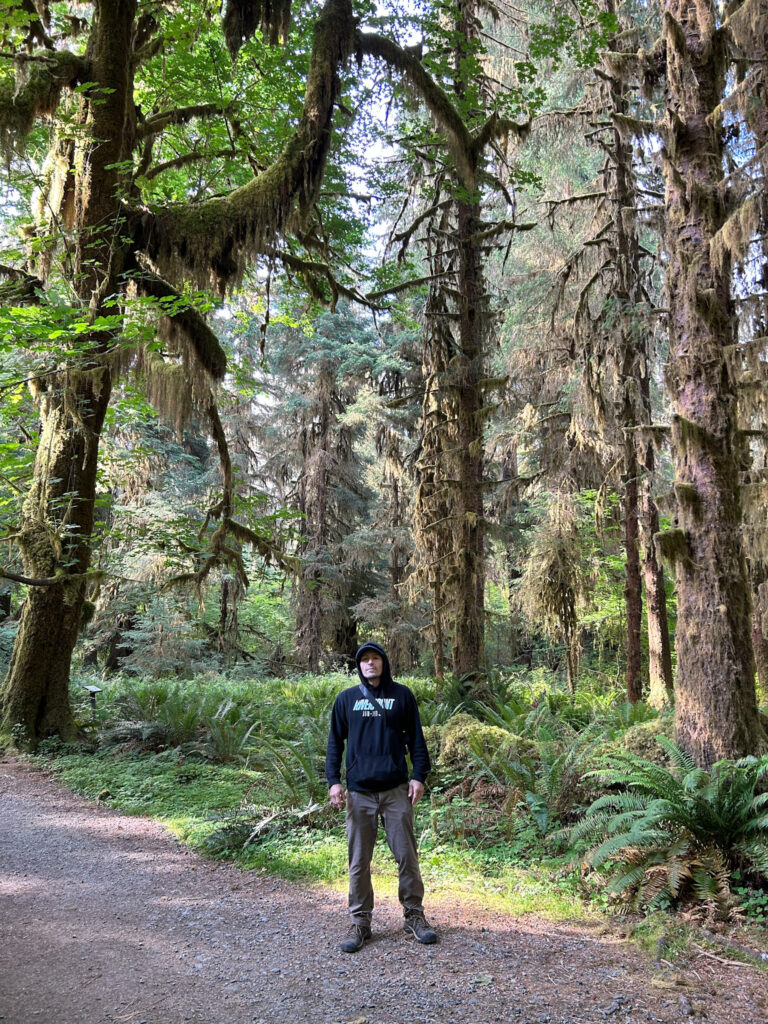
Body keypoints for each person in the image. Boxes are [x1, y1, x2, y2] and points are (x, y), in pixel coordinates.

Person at [326, 641, 437, 953]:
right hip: (359, 793)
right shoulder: (346, 699)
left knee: (406, 855)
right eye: (364, 660)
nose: (370, 664)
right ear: (358, 666)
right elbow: (335, 742)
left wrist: (419, 776)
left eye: (375, 658)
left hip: (395, 790)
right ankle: (360, 922)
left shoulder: (402, 696)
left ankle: (414, 915)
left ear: (384, 662)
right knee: (359, 860)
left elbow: (417, 738)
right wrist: (334, 781)